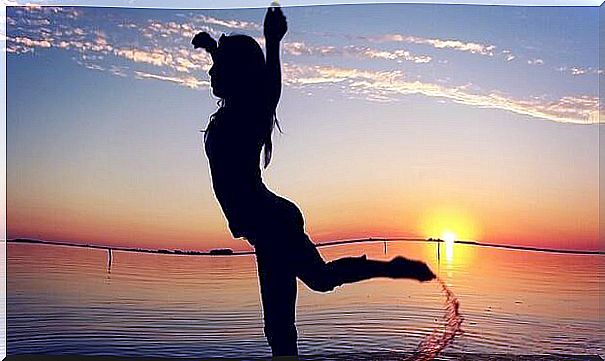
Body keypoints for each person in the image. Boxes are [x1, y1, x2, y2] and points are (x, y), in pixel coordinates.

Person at [192, 6, 436, 358]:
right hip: (269, 222)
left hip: (271, 225)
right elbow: (241, 73)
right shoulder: (234, 108)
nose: (211, 73)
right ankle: (392, 267)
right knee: (320, 281)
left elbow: (266, 86)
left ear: (237, 74)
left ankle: (390, 268)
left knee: (279, 329)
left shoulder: (251, 112)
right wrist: (214, 48)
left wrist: (272, 41)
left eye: (217, 67)